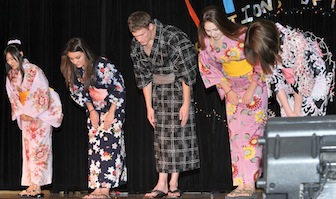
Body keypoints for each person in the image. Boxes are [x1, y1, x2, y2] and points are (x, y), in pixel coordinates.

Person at [198, 6, 271, 199]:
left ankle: (251, 183)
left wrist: (250, 89)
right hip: (231, 89)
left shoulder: (242, 35)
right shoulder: (207, 43)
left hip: (253, 86)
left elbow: (259, 60)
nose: (212, 34)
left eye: (215, 29)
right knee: (236, 136)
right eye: (208, 30)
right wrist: (228, 90)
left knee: (252, 135)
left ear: (223, 23)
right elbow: (208, 68)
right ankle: (241, 184)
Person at [128, 11, 200, 198]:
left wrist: (186, 103)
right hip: (158, 94)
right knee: (161, 139)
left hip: (177, 89)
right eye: (136, 36)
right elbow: (143, 77)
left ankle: (173, 183)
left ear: (151, 26)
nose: (140, 40)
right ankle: (162, 182)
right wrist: (148, 107)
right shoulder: (137, 45)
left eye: (142, 34)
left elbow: (187, 72)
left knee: (177, 136)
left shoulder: (172, 37)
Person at [60, 37, 127, 199]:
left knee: (109, 146)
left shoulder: (102, 64)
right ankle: (97, 187)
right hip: (94, 111)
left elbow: (118, 86)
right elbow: (78, 94)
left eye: (78, 57)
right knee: (95, 147)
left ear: (85, 53)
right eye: (71, 58)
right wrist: (91, 110)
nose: (75, 61)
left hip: (112, 108)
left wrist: (111, 112)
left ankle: (106, 188)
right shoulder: (75, 71)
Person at [4, 38, 63, 197]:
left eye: (13, 58)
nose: (11, 62)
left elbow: (42, 91)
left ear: (21, 54)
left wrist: (30, 111)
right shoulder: (11, 75)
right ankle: (31, 184)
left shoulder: (33, 70)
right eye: (8, 59)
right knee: (29, 151)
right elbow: (13, 96)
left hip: (41, 116)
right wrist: (21, 112)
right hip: (25, 115)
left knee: (40, 150)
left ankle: (37, 185)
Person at [244, 19, 335, 117]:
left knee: (307, 117)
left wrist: (296, 112)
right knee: (288, 116)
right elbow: (275, 79)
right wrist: (289, 112)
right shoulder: (265, 48)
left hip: (312, 78)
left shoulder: (295, 41)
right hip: (288, 82)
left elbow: (302, 81)